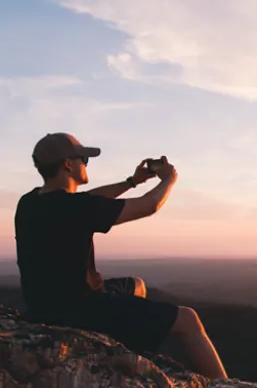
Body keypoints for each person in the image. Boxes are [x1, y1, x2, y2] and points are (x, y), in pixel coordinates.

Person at [13, 132, 228, 380]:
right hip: (78, 310)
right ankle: (227, 386)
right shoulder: (72, 208)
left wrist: (131, 181)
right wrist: (169, 179)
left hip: (42, 306)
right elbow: (149, 205)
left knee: (136, 286)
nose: (86, 164)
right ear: (67, 164)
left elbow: (90, 198)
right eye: (83, 159)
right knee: (188, 320)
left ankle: (126, 347)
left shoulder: (29, 202)